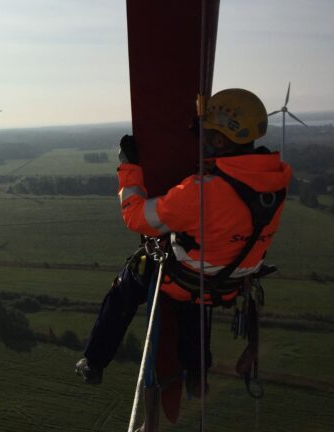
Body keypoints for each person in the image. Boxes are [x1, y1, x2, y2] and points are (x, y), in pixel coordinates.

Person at [75, 89, 293, 390]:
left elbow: (136, 218)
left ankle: (94, 361)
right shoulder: (274, 183)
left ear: (218, 140)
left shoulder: (202, 192)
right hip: (229, 283)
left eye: (205, 133)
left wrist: (129, 169)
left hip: (190, 278)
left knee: (130, 281)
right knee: (195, 298)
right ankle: (196, 374)